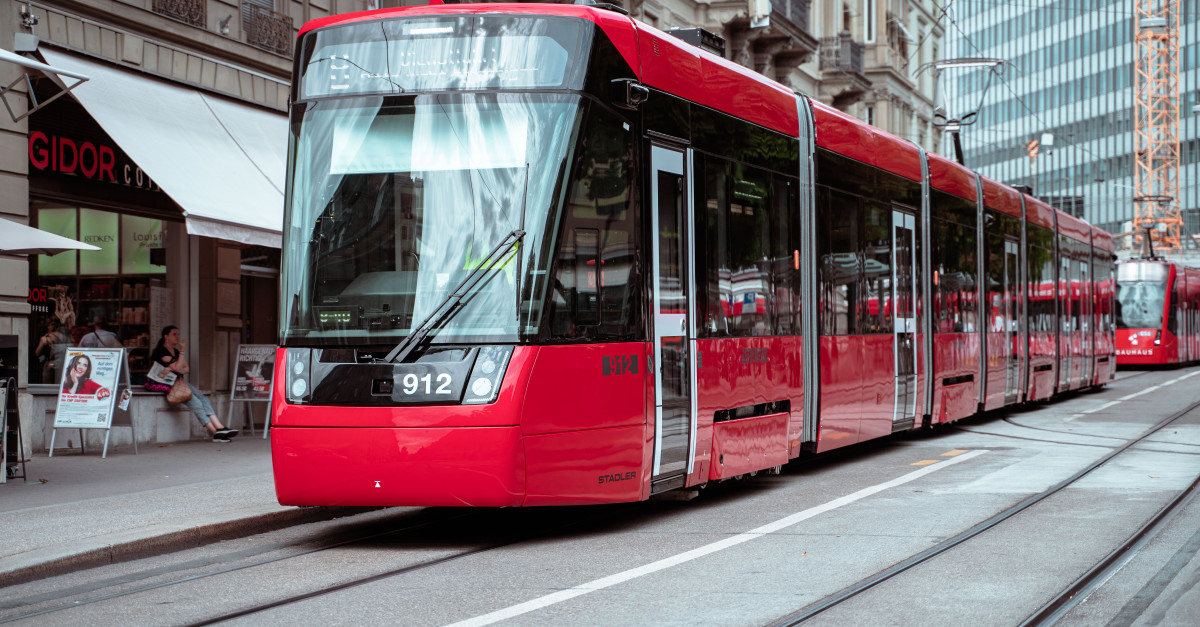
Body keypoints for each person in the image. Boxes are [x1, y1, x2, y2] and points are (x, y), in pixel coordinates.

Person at [147, 325, 239, 443]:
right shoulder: (160, 351)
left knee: (204, 399)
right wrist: (181, 352)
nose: (177, 337)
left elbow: (186, 369)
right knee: (197, 404)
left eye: (178, 334)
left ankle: (220, 427)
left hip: (180, 382)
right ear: (166, 336)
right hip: (170, 385)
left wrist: (177, 367)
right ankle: (215, 433)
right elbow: (178, 367)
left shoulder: (174, 352)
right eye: (174, 334)